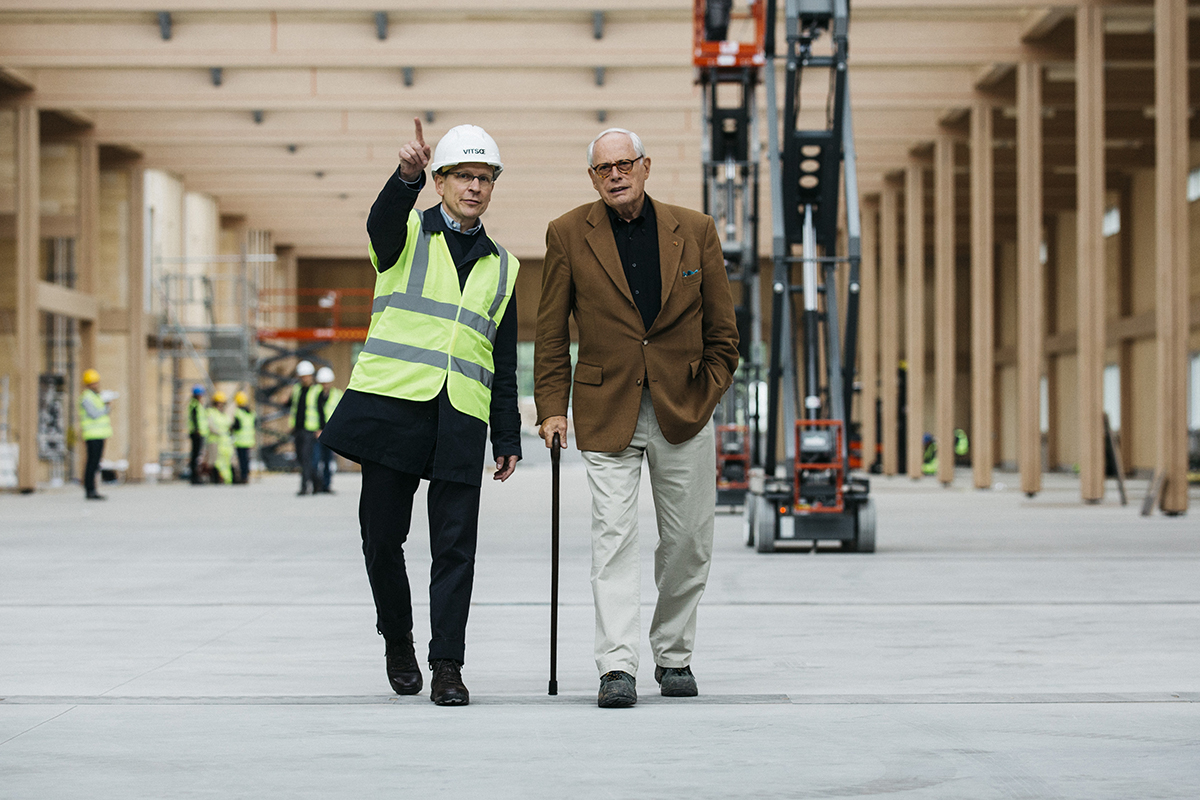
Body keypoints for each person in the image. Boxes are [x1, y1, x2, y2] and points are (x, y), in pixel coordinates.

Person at [534, 128, 739, 708]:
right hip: (606, 408)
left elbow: (724, 330)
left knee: (689, 541)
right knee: (613, 539)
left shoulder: (694, 230)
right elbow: (551, 334)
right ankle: (615, 667)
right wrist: (552, 407)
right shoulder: (568, 234)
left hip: (685, 408)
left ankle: (673, 654)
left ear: (646, 166)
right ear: (593, 177)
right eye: (604, 169)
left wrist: (711, 388)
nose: (616, 175)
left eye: (626, 164)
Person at [320, 119, 521, 707]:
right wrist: (402, 179)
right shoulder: (404, 233)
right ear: (439, 180)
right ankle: (398, 639)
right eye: (463, 175)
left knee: (455, 549)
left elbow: (502, 360)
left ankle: (448, 666)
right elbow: (378, 224)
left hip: (460, 418)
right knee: (382, 538)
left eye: (485, 178)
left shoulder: (504, 267)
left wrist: (505, 433)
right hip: (393, 408)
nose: (475, 187)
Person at [79, 368, 113, 500]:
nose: (96, 384)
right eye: (94, 382)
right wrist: (107, 408)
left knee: (96, 463)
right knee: (92, 463)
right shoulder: (86, 397)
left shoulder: (96, 396)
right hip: (92, 435)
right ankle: (89, 489)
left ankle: (93, 488)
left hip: (99, 435)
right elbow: (93, 414)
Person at [289, 360, 320, 495]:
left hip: (310, 430)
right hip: (298, 429)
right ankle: (318, 482)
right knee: (301, 458)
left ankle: (304, 487)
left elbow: (321, 411)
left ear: (311, 376)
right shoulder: (297, 389)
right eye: (301, 377)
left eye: (306, 376)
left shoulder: (317, 390)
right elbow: (293, 406)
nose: (304, 379)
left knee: (306, 458)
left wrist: (321, 428)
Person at [312, 366, 342, 493]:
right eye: (322, 383)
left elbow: (340, 415)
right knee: (315, 461)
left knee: (327, 462)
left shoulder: (337, 395)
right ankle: (316, 486)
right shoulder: (313, 394)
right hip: (316, 433)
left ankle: (326, 486)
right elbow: (311, 413)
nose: (325, 385)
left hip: (330, 434)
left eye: (326, 382)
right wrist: (316, 430)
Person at [206, 391, 234, 485]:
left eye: (222, 403)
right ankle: (215, 478)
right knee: (214, 461)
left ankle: (226, 478)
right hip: (214, 440)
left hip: (224, 442)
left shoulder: (224, 414)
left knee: (225, 460)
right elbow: (210, 426)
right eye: (219, 403)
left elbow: (229, 425)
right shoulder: (211, 412)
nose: (220, 405)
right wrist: (220, 432)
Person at [231, 391, 256, 484]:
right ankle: (246, 475)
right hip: (249, 440)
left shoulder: (238, 412)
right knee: (247, 459)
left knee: (242, 460)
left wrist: (231, 427)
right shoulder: (250, 412)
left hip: (240, 440)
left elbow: (237, 426)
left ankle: (243, 476)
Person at [187, 384, 208, 485]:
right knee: (195, 456)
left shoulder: (196, 404)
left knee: (196, 455)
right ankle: (194, 477)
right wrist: (197, 430)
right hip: (197, 434)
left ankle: (196, 476)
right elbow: (195, 419)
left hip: (199, 433)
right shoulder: (195, 405)